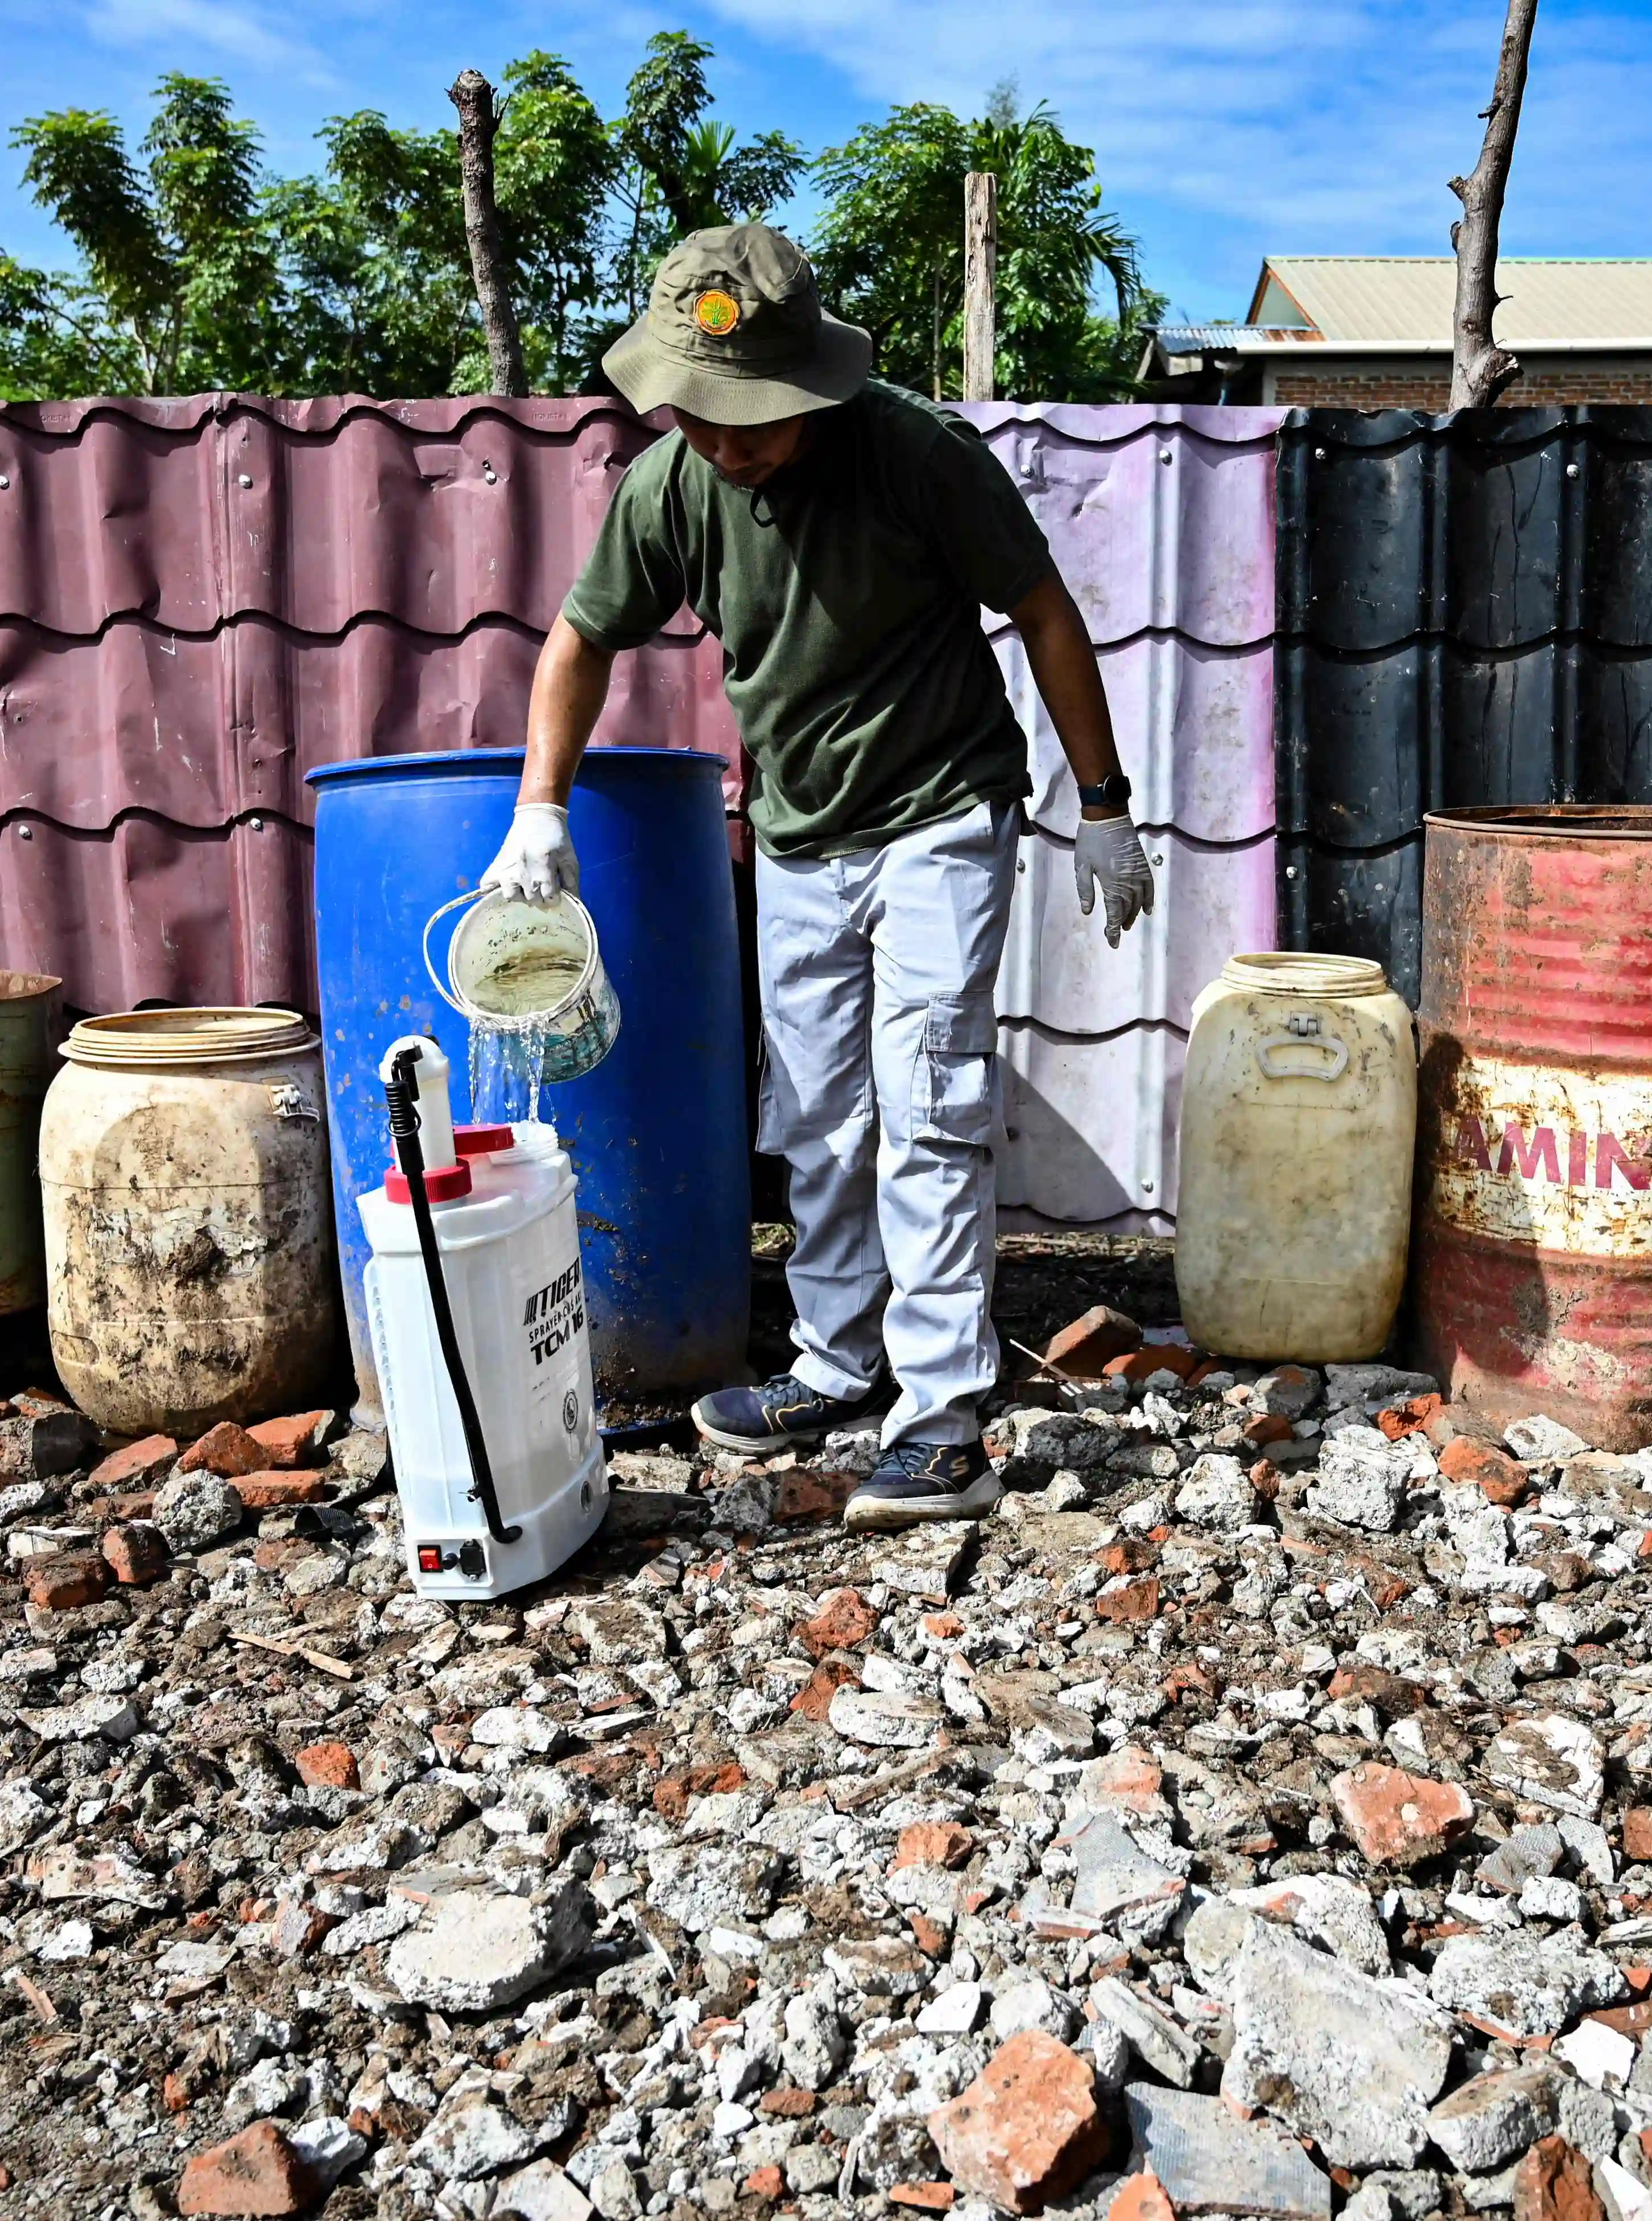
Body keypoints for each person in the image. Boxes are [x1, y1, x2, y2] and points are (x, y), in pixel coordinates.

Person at [482, 223, 1153, 1531]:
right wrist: (537, 809)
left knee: (929, 1093)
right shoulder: (671, 487)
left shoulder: (916, 455)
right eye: (705, 414)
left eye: (758, 418)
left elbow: (1045, 610)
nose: (731, 442)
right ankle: (837, 1361)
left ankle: (943, 1410)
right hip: (797, 830)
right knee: (819, 1113)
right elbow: (579, 637)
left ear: (817, 384)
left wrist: (1105, 804)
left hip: (940, 810)